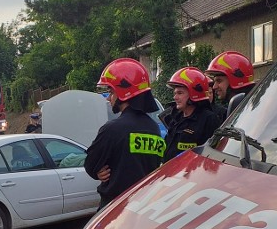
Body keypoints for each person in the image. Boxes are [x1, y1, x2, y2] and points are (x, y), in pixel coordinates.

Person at [84, 58, 164, 210]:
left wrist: (97, 171)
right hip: (145, 207)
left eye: (111, 91)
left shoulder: (112, 129)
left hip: (115, 209)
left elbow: (90, 165)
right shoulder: (154, 128)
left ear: (123, 91)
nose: (108, 98)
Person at [160, 67, 221, 162]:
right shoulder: (175, 118)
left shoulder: (208, 119)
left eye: (180, 93)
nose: (175, 97)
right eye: (175, 93)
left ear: (194, 93)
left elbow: (213, 155)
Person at [205, 51, 256, 122]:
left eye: (219, 81)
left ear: (236, 80)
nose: (214, 87)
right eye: (214, 81)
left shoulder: (252, 112)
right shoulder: (235, 109)